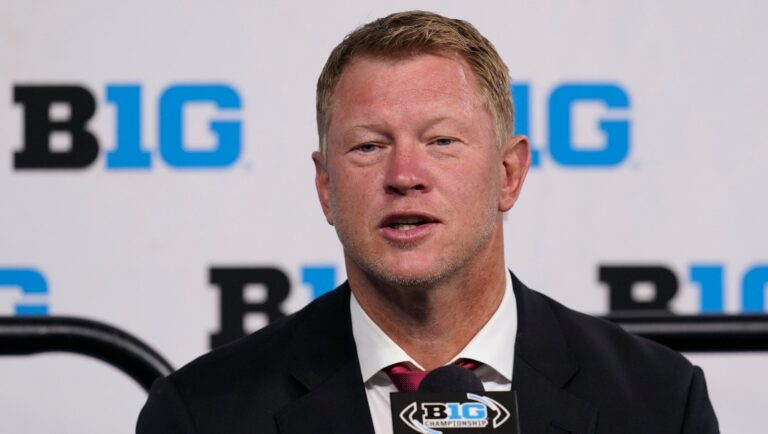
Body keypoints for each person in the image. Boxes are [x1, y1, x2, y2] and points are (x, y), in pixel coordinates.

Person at [137, 10, 719, 434]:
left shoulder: (659, 402)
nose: (404, 175)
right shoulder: (202, 414)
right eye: (368, 146)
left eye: (441, 141)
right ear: (326, 188)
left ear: (509, 174)